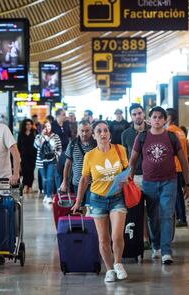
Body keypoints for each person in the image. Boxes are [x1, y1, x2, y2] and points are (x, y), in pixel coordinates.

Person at [128, 107, 189, 265]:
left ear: (165, 120)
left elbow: (183, 161)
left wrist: (187, 183)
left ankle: (166, 251)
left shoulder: (172, 137)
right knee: (152, 217)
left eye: (160, 117)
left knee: (167, 215)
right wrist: (128, 179)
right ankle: (156, 245)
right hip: (148, 183)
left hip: (169, 182)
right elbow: (133, 161)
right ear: (150, 119)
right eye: (154, 117)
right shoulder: (142, 137)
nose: (157, 120)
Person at [72, 121, 128, 283]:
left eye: (105, 131)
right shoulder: (89, 156)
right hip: (97, 200)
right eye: (99, 131)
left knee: (117, 235)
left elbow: (126, 170)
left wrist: (126, 178)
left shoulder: (120, 150)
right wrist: (78, 201)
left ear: (109, 134)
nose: (103, 134)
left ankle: (118, 263)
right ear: (94, 135)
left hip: (117, 198)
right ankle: (109, 269)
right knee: (103, 238)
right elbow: (84, 179)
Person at [121, 103, 151, 248]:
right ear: (131, 116)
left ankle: (155, 239)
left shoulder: (153, 130)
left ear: (144, 114)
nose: (137, 116)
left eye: (139, 113)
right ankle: (143, 238)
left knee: (154, 209)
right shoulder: (126, 134)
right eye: (134, 114)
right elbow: (124, 157)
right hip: (134, 177)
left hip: (152, 176)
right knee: (138, 210)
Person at [60, 120, 96, 205]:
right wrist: (64, 181)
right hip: (77, 182)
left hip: (93, 183)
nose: (84, 133)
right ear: (78, 131)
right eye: (82, 131)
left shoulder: (95, 144)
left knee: (90, 207)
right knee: (80, 206)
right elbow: (67, 165)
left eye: (87, 131)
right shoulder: (72, 144)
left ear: (91, 131)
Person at [166, 108, 189, 228]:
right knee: (178, 193)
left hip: (175, 166)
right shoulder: (180, 130)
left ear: (168, 117)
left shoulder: (169, 131)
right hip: (182, 165)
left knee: (176, 194)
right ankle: (181, 217)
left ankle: (181, 218)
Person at [34, 120, 62, 204]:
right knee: (44, 179)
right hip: (41, 161)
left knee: (50, 178)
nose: (47, 128)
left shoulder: (55, 136)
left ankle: (49, 196)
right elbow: (36, 145)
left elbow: (59, 148)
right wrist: (42, 136)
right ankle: (46, 194)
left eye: (49, 126)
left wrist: (56, 156)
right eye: (45, 126)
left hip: (51, 161)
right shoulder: (39, 136)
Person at [51, 109, 72, 189]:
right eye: (63, 114)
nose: (65, 116)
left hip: (66, 150)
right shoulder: (52, 125)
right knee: (57, 172)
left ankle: (65, 188)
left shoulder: (66, 124)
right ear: (58, 115)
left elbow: (69, 136)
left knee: (66, 170)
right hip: (56, 152)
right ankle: (57, 190)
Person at [17, 118, 37, 194]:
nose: (29, 126)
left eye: (30, 124)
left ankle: (30, 186)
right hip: (24, 155)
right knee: (25, 171)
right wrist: (18, 157)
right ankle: (25, 185)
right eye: (27, 124)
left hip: (33, 155)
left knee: (31, 171)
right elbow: (18, 146)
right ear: (24, 125)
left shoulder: (35, 133)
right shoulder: (21, 133)